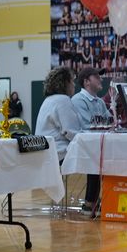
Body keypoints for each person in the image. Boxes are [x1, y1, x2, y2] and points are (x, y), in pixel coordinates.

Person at [71, 66, 111, 212]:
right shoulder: (78, 100)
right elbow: (88, 128)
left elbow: (110, 122)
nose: (101, 79)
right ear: (87, 82)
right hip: (80, 146)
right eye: (96, 77)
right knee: (97, 157)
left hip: (96, 144)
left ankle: (109, 198)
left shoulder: (99, 102)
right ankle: (90, 202)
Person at [34, 67, 81, 161]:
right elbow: (72, 132)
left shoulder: (48, 100)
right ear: (65, 83)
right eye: (72, 81)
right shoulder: (62, 100)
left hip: (46, 154)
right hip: (59, 154)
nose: (74, 84)